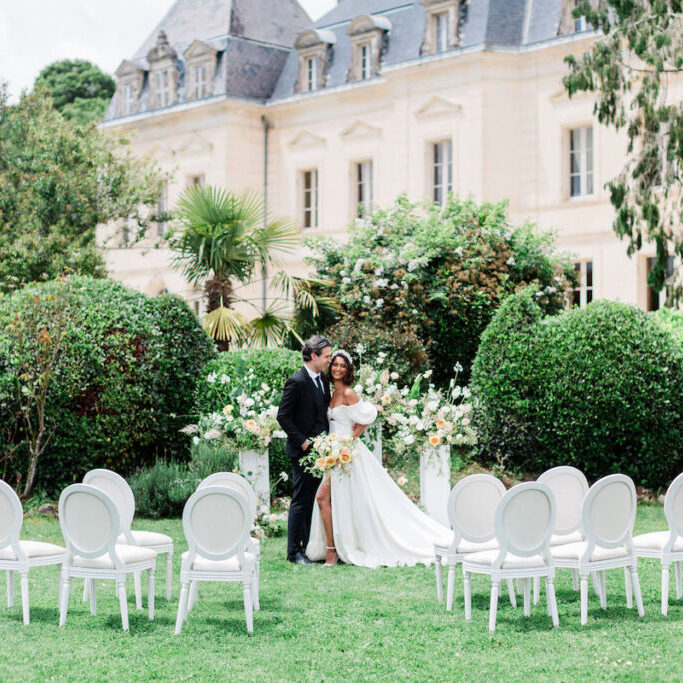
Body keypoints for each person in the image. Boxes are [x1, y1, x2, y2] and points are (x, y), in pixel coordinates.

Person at [306, 350, 450, 568]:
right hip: (333, 453)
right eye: (335, 364)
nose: (337, 368)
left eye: (342, 366)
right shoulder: (331, 392)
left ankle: (334, 551)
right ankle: (332, 548)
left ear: (348, 370)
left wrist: (352, 437)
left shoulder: (348, 392)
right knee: (327, 498)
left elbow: (369, 415)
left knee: (331, 498)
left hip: (346, 454)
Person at [277, 335, 332, 564]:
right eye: (327, 356)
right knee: (301, 500)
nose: (329, 360)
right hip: (303, 452)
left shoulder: (323, 380)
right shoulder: (296, 382)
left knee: (312, 499)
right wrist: (303, 442)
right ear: (313, 356)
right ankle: (294, 552)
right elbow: (283, 416)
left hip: (322, 452)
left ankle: (307, 546)